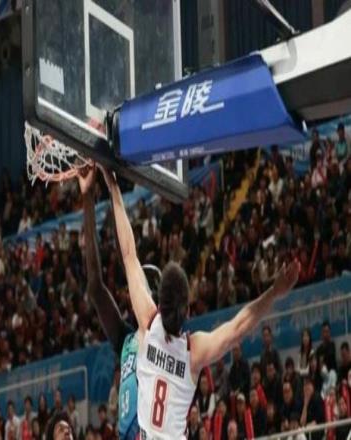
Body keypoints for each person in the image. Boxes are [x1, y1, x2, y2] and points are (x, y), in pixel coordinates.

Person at [101, 166, 299, 440]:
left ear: (159, 303)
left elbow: (128, 254)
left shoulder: (147, 321)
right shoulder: (192, 352)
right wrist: (274, 292)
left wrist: (112, 185)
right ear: (188, 311)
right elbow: (239, 327)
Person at [77, 166, 161, 440]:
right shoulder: (126, 339)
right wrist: (87, 199)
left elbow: (128, 255)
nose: (136, 290)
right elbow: (95, 287)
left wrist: (112, 185)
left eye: (143, 286)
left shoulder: (160, 337)